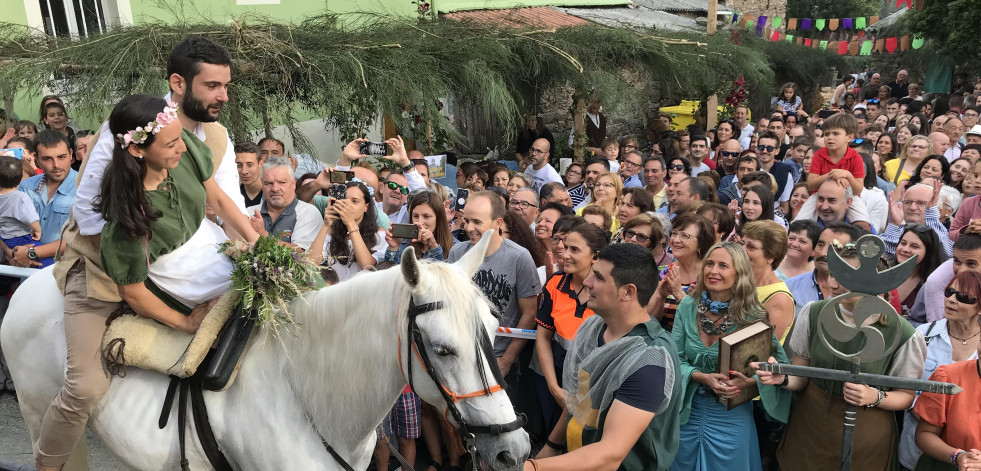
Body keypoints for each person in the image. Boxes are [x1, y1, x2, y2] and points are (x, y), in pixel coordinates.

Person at [35, 94, 260, 471]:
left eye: (180, 138)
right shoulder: (124, 220)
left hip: (203, 264)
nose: (181, 146)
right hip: (99, 276)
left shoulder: (180, 142)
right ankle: (47, 465)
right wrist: (186, 322)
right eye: (170, 143)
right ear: (138, 149)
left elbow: (218, 199)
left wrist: (260, 246)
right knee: (86, 387)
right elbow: (134, 290)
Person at [756, 243, 926, 471]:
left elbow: (905, 395)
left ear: (872, 284)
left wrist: (873, 395)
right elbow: (801, 375)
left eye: (843, 278)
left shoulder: (903, 334)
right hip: (810, 426)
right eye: (832, 275)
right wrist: (783, 379)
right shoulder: (814, 314)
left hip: (866, 434)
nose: (833, 284)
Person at [528, 244, 683, 471]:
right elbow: (578, 401)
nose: (587, 282)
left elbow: (609, 455)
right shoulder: (593, 326)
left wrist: (531, 468)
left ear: (628, 292)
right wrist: (552, 444)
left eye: (598, 277)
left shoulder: (649, 360)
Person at [670, 242, 790, 471]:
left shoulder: (753, 315)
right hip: (685, 413)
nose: (713, 271)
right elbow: (673, 358)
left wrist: (752, 384)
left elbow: (779, 368)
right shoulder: (687, 306)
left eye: (723, 265)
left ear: (740, 273)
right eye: (710, 264)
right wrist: (701, 377)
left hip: (730, 417)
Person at [448, 191, 541, 389]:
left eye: (477, 222)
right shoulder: (457, 252)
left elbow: (530, 313)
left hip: (498, 358)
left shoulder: (519, 258)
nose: (469, 228)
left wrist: (507, 359)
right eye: (466, 220)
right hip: (463, 355)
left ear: (498, 223)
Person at [897, 270, 981, 470]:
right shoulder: (922, 335)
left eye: (964, 297)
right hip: (918, 448)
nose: (951, 299)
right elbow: (902, 386)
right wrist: (930, 411)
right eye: (949, 292)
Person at [534, 223, 607, 435]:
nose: (564, 254)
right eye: (565, 247)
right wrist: (554, 387)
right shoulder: (554, 284)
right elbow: (543, 337)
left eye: (574, 250)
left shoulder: (607, 290)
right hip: (557, 376)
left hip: (595, 382)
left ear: (595, 256)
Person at [11, 130, 78, 268]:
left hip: (68, 271)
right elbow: (10, 226)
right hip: (23, 268)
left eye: (62, 157)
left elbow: (84, 239)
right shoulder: (26, 186)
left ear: (71, 154)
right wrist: (13, 255)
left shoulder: (84, 188)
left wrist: (32, 253)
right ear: (36, 158)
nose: (56, 165)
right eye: (47, 159)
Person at [650, 213, 716, 331]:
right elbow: (648, 321)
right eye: (674, 233)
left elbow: (710, 326)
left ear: (701, 244)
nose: (675, 240)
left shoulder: (711, 277)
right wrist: (660, 296)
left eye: (684, 236)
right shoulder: (661, 273)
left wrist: (680, 294)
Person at [245, 156, 322, 251]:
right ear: (262, 185)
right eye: (268, 183)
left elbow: (300, 252)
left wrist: (263, 234)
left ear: (293, 184)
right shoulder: (249, 212)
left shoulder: (308, 212)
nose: (275, 189)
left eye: (282, 182)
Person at [739, 221, 795, 343]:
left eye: (750, 246)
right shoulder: (738, 280)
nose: (741, 250)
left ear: (771, 256)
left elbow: (761, 346)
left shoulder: (779, 298)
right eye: (742, 243)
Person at [882, 181, 953, 259]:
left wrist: (932, 217)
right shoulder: (896, 231)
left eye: (921, 203)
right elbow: (883, 260)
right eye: (908, 202)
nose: (912, 207)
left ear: (937, 210)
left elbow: (948, 255)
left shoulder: (942, 235)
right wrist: (894, 224)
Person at [384, 191, 452, 263]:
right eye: (415, 216)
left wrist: (434, 247)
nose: (419, 222)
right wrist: (393, 248)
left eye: (426, 216)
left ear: (438, 218)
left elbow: (440, 273)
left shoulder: (454, 247)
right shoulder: (404, 244)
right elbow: (389, 272)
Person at [0, 156, 43, 262]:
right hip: (22, 237)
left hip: (5, 238)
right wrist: (38, 230)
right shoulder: (21, 197)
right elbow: (31, 219)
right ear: (19, 179)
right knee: (44, 260)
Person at [235, 141, 264, 207]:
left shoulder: (272, 192)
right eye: (239, 165)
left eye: (249, 165)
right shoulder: (233, 194)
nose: (244, 171)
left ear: (260, 164)